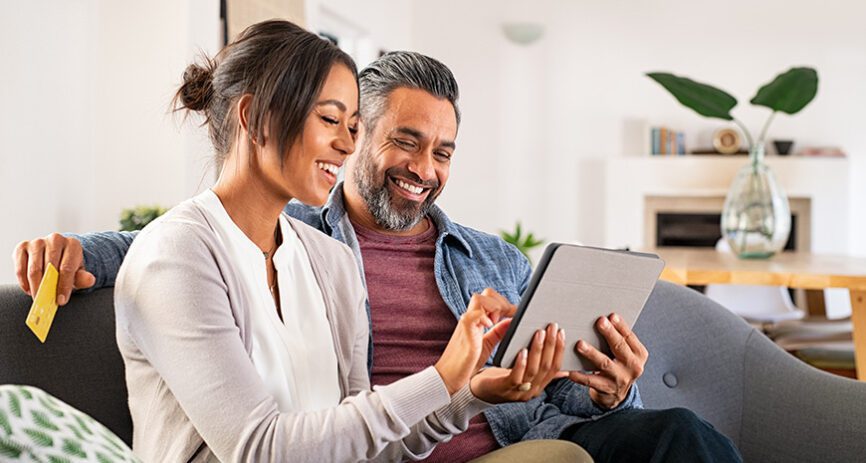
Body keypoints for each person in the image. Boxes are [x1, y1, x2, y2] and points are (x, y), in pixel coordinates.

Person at [13, 49, 742, 462]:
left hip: (503, 436)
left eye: (444, 150)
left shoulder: (495, 260)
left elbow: (555, 397)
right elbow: (180, 242)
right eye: (404, 139)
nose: (424, 166)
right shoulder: (298, 233)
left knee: (676, 435)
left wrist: (605, 388)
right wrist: (79, 251)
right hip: (390, 450)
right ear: (357, 135)